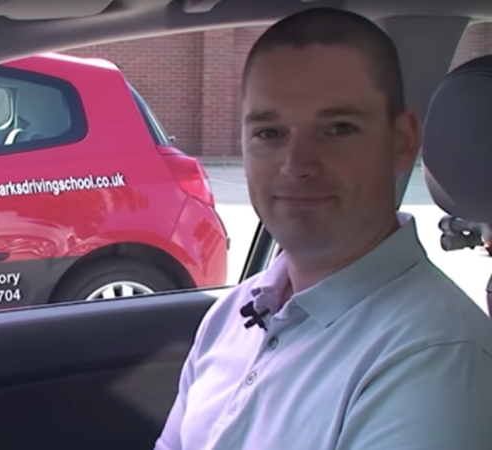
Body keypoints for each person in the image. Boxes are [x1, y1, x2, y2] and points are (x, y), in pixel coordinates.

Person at [154, 7, 492, 450]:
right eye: (269, 132)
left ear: (402, 140)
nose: (296, 165)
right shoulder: (234, 312)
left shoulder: (436, 355)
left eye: (338, 129)